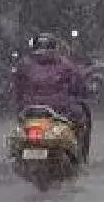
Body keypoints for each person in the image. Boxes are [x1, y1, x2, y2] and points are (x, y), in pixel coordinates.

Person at [12, 32, 93, 162]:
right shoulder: (66, 66)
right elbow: (79, 86)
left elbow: (18, 89)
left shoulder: (24, 66)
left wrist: (22, 106)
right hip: (61, 109)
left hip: (29, 110)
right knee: (83, 119)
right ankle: (82, 158)